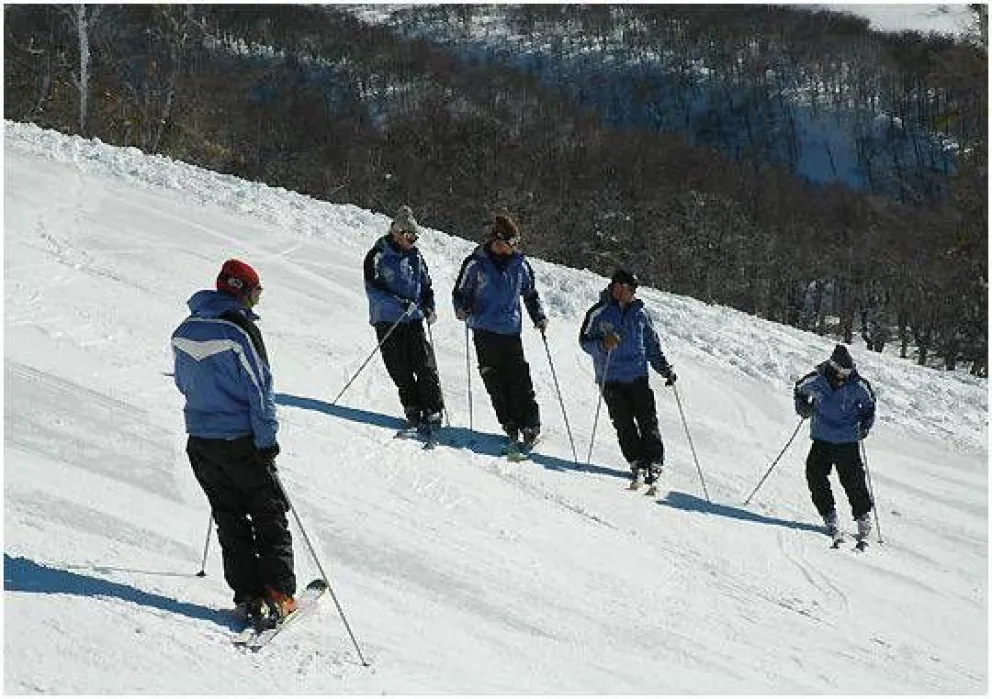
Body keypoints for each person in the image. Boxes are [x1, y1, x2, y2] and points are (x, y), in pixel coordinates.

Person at [171, 259, 296, 625]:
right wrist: (267, 440)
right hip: (239, 440)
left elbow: (182, 382)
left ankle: (247, 595)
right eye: (257, 291)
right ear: (241, 290)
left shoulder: (183, 330)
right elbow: (260, 388)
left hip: (200, 442)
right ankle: (277, 593)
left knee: (230, 517)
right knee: (269, 513)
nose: (258, 298)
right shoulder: (239, 330)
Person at [452, 213, 548, 448]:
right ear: (498, 241)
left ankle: (530, 424)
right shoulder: (476, 262)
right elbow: (460, 292)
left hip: (509, 330)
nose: (513, 248)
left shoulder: (520, 264)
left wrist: (538, 316)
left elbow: (530, 293)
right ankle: (509, 423)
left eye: (515, 244)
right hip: (483, 329)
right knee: (493, 379)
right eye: (510, 243)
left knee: (519, 379)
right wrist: (462, 308)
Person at [579, 269, 677, 488]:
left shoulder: (640, 314)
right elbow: (584, 341)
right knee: (623, 424)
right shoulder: (599, 312)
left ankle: (654, 460)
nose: (628, 293)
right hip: (611, 377)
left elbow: (651, 344)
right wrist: (603, 345)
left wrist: (663, 368)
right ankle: (636, 460)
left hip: (637, 376)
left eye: (631, 290)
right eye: (624, 288)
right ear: (615, 287)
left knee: (648, 420)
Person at [363, 205, 445, 432]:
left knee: (424, 364)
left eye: (415, 237)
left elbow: (426, 285)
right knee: (399, 368)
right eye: (409, 236)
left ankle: (433, 408)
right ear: (397, 232)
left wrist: (428, 306)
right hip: (387, 320)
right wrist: (399, 303)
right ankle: (412, 407)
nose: (413, 240)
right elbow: (373, 289)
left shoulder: (416, 256)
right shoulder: (377, 255)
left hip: (414, 319)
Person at [794, 344, 876, 542]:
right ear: (833, 366)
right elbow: (799, 389)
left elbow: (869, 404)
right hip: (822, 437)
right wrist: (804, 407)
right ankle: (828, 514)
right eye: (842, 371)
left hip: (847, 439)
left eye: (848, 371)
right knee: (814, 474)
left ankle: (863, 515)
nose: (845, 376)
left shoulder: (858, 385)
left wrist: (865, 425)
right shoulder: (817, 379)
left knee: (853, 479)